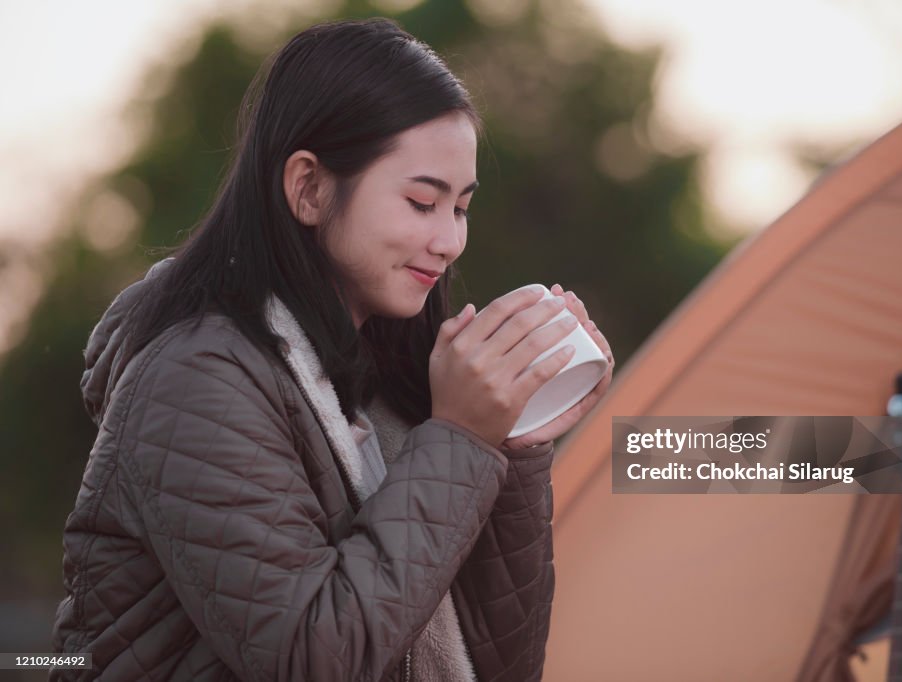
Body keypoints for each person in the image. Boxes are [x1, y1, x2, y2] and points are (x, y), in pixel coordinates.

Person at [50, 17, 613, 682]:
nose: (448, 240)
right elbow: (314, 658)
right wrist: (463, 437)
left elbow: (502, 665)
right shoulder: (195, 376)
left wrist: (510, 444)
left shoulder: (393, 375)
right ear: (309, 188)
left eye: (460, 208)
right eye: (420, 201)